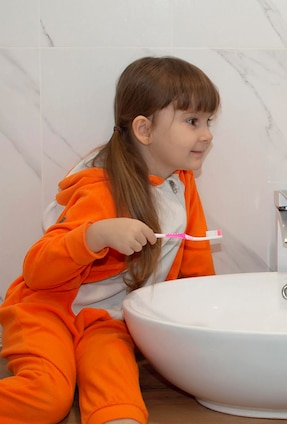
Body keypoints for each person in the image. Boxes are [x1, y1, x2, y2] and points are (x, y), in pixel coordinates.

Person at [0, 56, 220, 424]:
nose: (207, 134)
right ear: (144, 130)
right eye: (192, 121)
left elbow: (195, 258)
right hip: (47, 310)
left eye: (209, 121)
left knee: (119, 401)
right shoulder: (100, 187)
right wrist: (95, 235)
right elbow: (37, 272)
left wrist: (206, 324)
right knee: (46, 398)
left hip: (107, 322)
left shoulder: (181, 183)